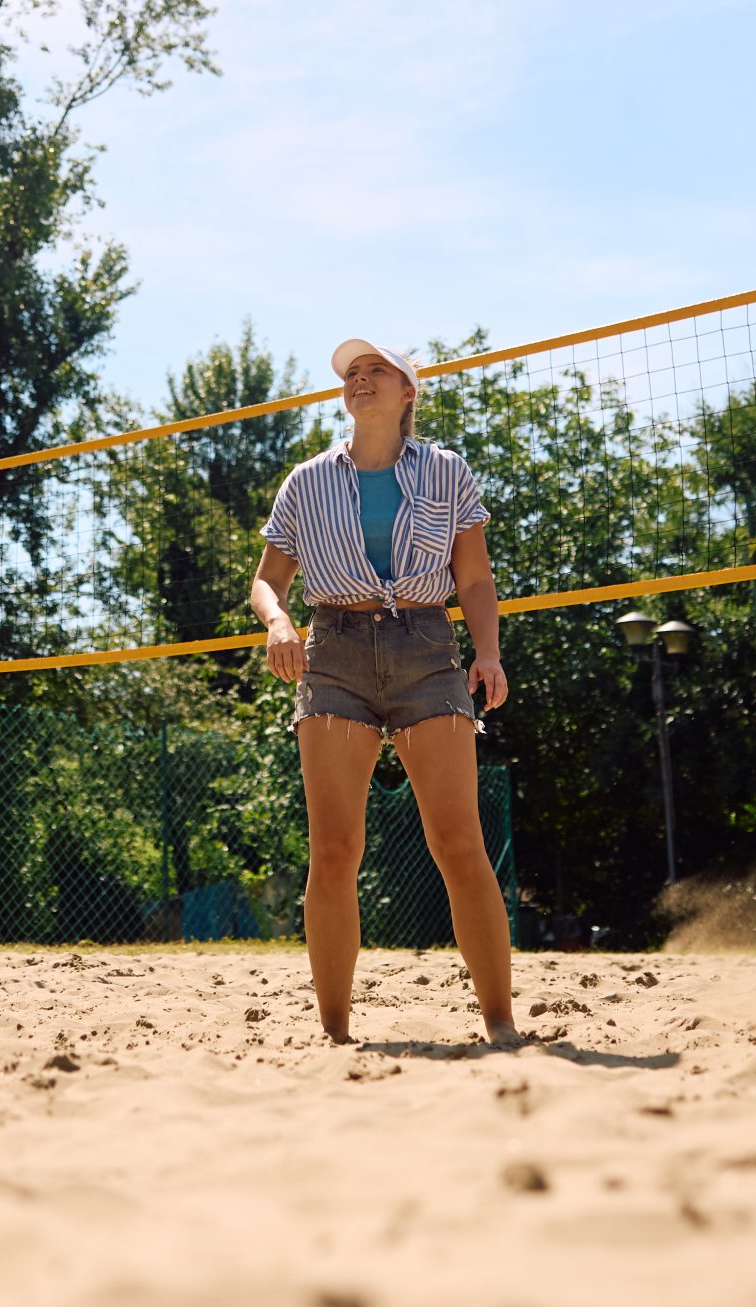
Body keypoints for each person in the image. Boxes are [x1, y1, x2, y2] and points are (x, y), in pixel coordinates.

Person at [250, 339, 519, 1046]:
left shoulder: (446, 469)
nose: (360, 378)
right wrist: (278, 620)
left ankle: (501, 1024)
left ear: (408, 393)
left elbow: (476, 578)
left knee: (459, 842)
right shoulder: (306, 480)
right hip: (333, 650)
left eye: (377, 370)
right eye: (351, 373)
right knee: (335, 850)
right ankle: (336, 1035)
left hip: (426, 648)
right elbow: (266, 579)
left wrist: (487, 652)